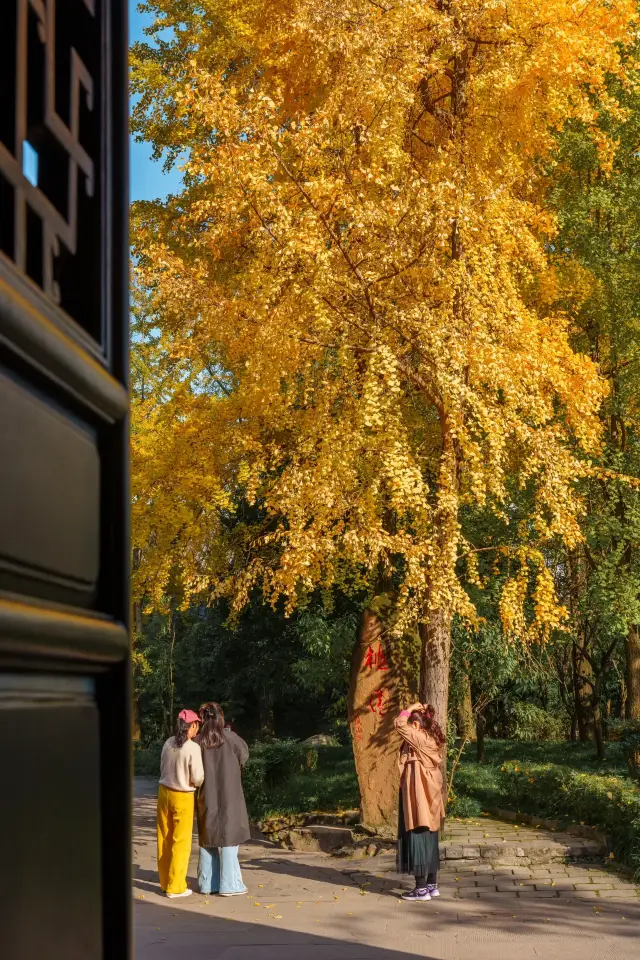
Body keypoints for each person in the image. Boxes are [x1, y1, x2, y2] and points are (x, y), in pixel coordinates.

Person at [196, 701, 251, 897]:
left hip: (206, 795)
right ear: (221, 717)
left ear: (203, 719)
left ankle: (208, 884)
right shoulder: (232, 738)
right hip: (230, 795)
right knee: (229, 839)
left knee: (208, 839)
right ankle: (230, 884)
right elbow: (244, 757)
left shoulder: (197, 741)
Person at [394, 700, 446, 902]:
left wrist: (410, 709)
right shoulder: (432, 738)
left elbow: (399, 724)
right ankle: (432, 885)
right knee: (430, 835)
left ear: (416, 725)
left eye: (412, 723)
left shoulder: (419, 737)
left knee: (417, 834)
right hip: (431, 793)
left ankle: (421, 889)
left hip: (419, 793)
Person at [156, 708, 204, 898]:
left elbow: (161, 767)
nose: (197, 729)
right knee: (181, 841)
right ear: (192, 726)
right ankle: (176, 887)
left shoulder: (168, 743)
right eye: (196, 725)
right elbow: (198, 778)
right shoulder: (193, 748)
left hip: (164, 793)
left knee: (164, 838)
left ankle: (165, 882)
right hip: (183, 795)